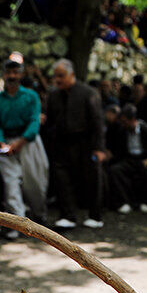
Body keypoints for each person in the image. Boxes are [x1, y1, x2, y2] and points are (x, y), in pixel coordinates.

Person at [0, 59, 49, 231]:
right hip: (5, 143)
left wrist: (21, 142)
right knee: (11, 183)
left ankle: (39, 216)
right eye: (9, 73)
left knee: (35, 182)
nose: (12, 76)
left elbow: (34, 121)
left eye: (15, 73)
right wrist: (1, 142)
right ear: (4, 75)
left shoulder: (31, 97)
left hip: (28, 142)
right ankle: (17, 225)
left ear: (21, 75)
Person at [45, 58, 107, 229]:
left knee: (92, 179)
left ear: (71, 75)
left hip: (85, 142)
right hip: (62, 143)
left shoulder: (88, 93)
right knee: (63, 180)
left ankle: (95, 215)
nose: (58, 80)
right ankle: (67, 215)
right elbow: (50, 120)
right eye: (55, 76)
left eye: (61, 76)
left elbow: (98, 122)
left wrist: (99, 148)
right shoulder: (54, 95)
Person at [106, 106, 147, 214]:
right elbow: (119, 150)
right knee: (115, 170)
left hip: (143, 158)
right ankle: (123, 201)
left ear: (132, 120)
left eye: (125, 122)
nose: (124, 125)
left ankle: (145, 201)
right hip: (129, 159)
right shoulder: (122, 132)